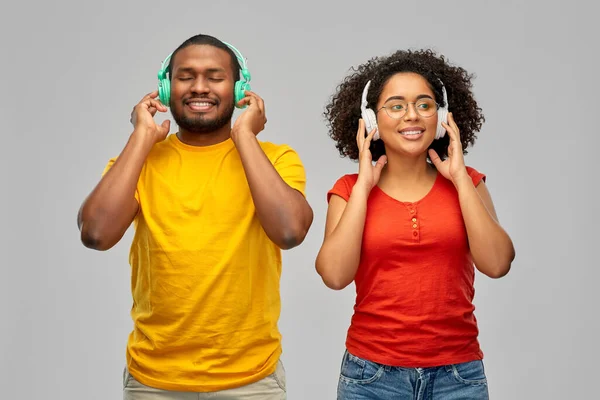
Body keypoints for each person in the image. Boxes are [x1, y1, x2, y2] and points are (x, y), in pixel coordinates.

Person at [77, 34, 313, 399]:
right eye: (186, 76)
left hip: (251, 381)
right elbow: (95, 233)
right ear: (166, 87)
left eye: (214, 76)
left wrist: (244, 137)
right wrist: (141, 137)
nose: (199, 87)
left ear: (239, 89)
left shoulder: (277, 159)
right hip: (152, 381)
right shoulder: (137, 162)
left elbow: (289, 232)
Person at [316, 49, 515, 399]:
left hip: (458, 376)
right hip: (371, 377)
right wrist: (364, 185)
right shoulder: (348, 190)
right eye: (396, 105)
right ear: (370, 119)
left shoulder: (468, 182)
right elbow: (334, 276)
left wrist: (460, 179)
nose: (412, 115)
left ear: (441, 118)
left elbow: (497, 264)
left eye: (424, 105)